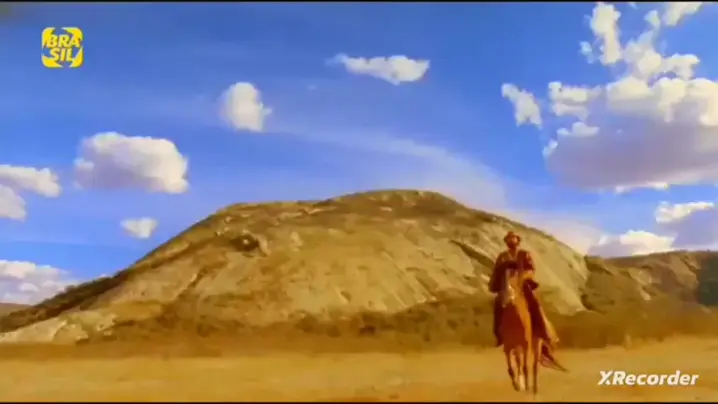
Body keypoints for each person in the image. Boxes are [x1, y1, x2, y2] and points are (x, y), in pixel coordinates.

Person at [488, 231, 559, 348]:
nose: (510, 240)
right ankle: (499, 335)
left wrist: (522, 277)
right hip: (506, 285)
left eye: (513, 238)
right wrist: (498, 283)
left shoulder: (525, 254)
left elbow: (531, 269)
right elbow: (497, 271)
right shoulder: (502, 256)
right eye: (508, 239)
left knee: (534, 302)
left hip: (523, 285)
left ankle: (543, 331)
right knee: (497, 304)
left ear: (518, 240)